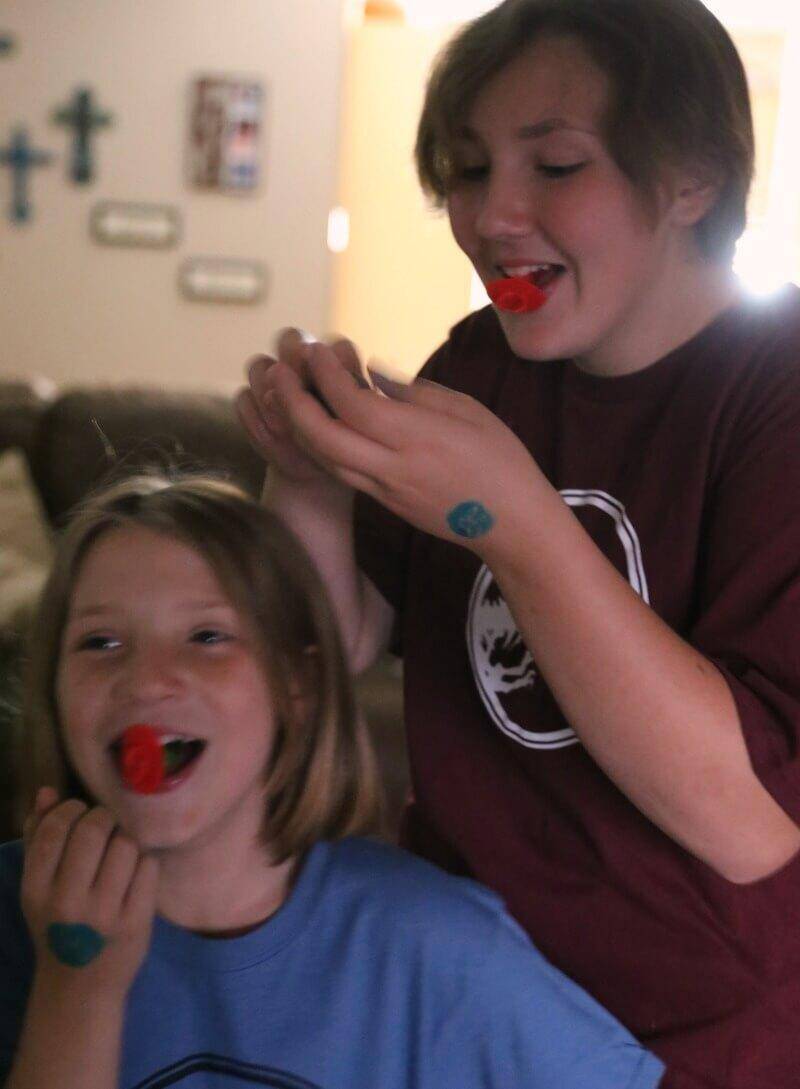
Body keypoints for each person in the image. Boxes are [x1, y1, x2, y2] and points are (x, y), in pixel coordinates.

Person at [235, 0, 800, 1086]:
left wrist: (510, 519)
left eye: (552, 166)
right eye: (465, 167)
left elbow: (750, 823)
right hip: (450, 1000)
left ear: (688, 179)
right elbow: (341, 639)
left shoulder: (771, 397)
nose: (490, 214)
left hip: (687, 1037)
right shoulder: (478, 368)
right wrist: (306, 474)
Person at [0, 473, 664, 1089]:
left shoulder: (432, 945)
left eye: (206, 635)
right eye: (100, 643)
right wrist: (75, 990)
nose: (145, 680)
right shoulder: (12, 923)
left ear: (297, 684)